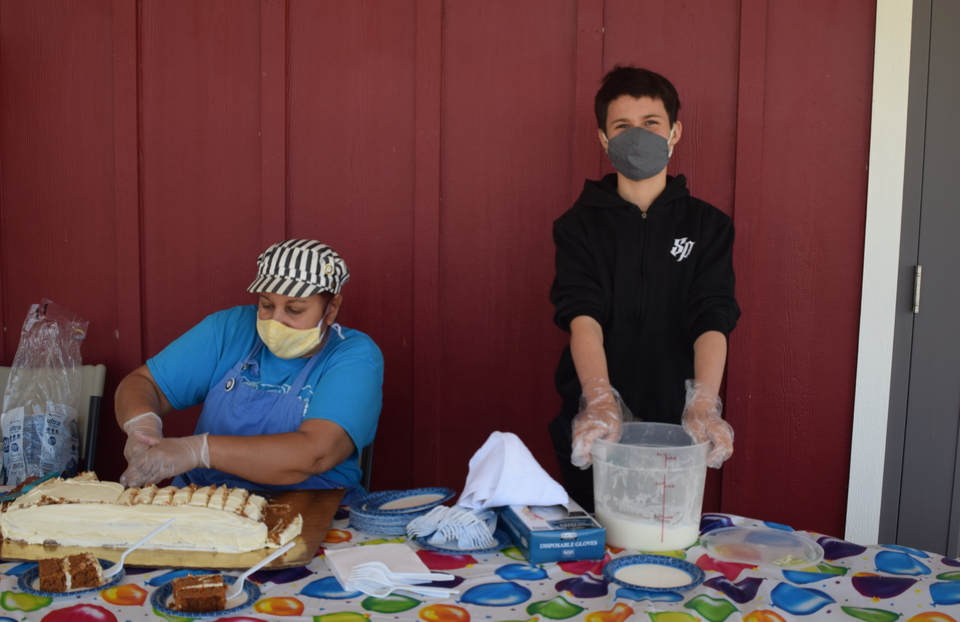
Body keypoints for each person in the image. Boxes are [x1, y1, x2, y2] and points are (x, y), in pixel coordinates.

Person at [548, 66, 740, 511]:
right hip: (595, 426)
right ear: (603, 138)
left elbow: (713, 314)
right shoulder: (577, 226)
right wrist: (598, 398)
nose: (638, 135)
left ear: (674, 131)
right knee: (595, 550)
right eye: (623, 126)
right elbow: (582, 315)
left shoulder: (708, 226)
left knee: (663, 544)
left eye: (651, 123)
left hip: (678, 425)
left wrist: (704, 404)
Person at [116, 239, 383, 503]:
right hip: (204, 502)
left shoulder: (354, 356)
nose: (275, 319)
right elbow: (143, 382)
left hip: (311, 506)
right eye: (266, 305)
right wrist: (141, 424)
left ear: (331, 309)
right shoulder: (231, 328)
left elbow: (315, 453)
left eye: (294, 309)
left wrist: (198, 451)